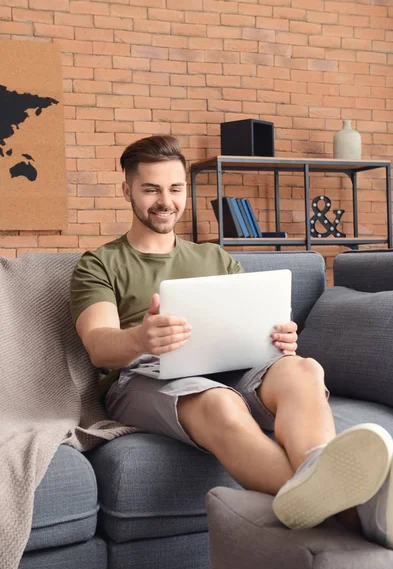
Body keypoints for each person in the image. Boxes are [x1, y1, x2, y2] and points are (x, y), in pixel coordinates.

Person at [70, 134, 393, 546]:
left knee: (303, 369)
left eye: (174, 188)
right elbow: (99, 344)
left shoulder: (215, 258)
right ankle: (357, 512)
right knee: (222, 403)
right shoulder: (99, 263)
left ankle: (319, 473)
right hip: (144, 376)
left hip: (231, 365)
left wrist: (277, 338)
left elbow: (252, 323)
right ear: (127, 190)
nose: (164, 201)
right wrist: (141, 337)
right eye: (150, 189)